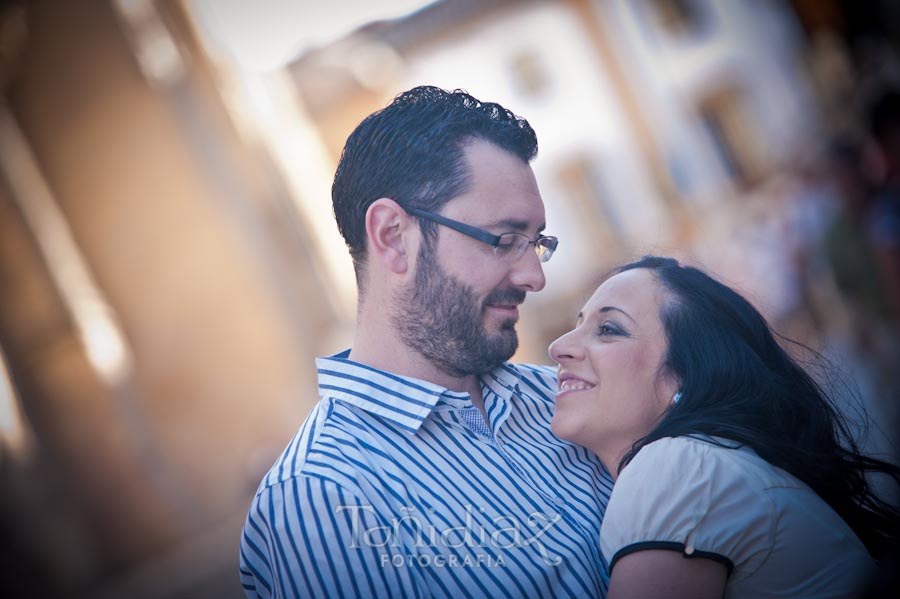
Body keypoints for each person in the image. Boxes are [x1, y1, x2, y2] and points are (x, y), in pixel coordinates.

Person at [239, 86, 613, 599]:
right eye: (504, 240)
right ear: (394, 236)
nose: (533, 276)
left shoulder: (569, 402)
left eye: (537, 243)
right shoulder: (322, 497)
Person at [549, 255, 900, 598]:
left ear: (684, 375)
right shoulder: (714, 462)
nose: (558, 346)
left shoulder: (676, 466)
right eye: (577, 324)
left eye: (608, 330)